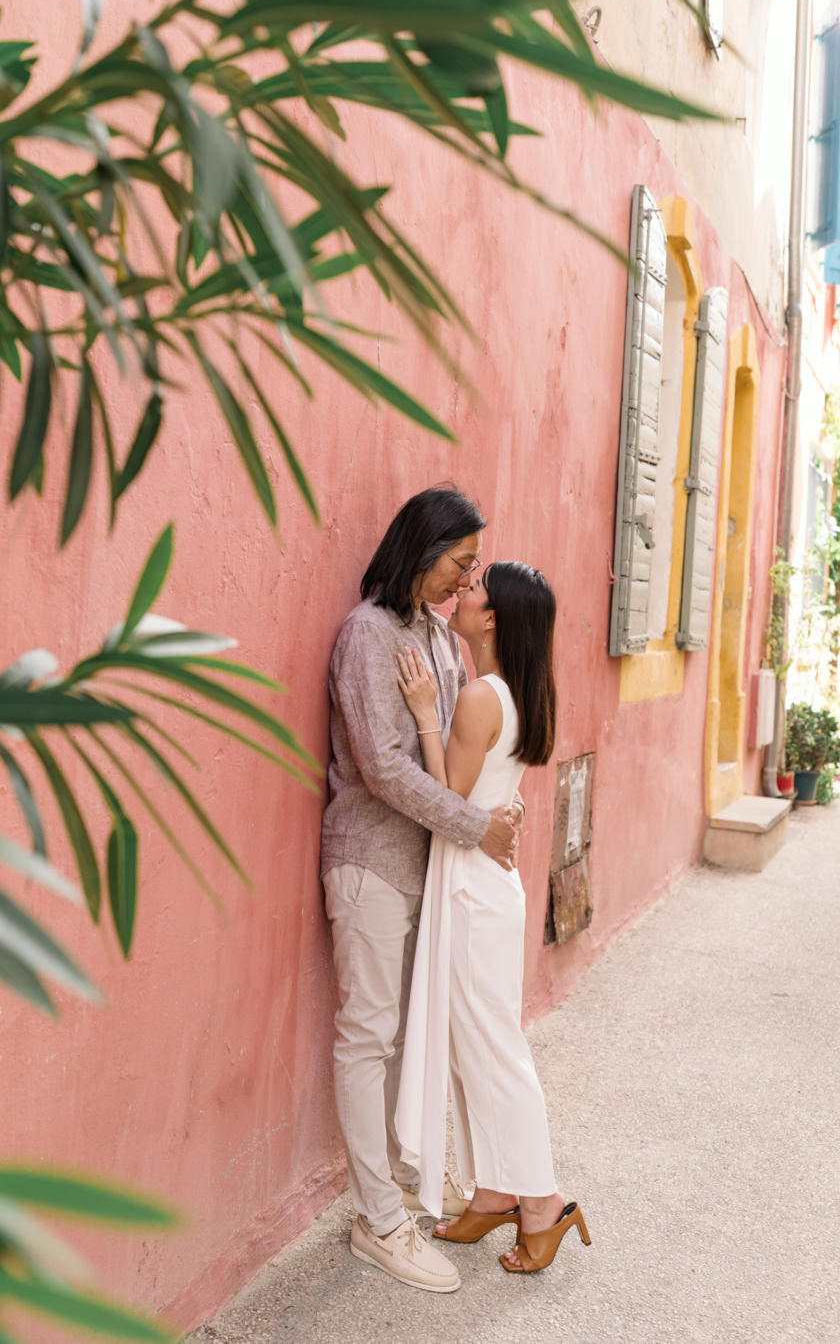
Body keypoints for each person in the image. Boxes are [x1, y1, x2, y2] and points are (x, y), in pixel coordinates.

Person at [321, 487, 525, 1295]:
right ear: (423, 545)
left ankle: (399, 1185)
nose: (466, 581)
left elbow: (448, 751)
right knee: (367, 1036)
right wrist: (477, 828)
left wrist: (482, 816)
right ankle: (378, 1220)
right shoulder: (366, 635)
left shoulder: (440, 638)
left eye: (474, 567)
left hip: (430, 871)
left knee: (407, 1037)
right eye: (460, 563)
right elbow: (381, 765)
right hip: (370, 861)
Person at [393, 562, 591, 1276]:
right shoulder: (524, 695)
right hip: (486, 883)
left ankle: (543, 1203)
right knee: (476, 1046)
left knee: (493, 1050)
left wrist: (422, 714)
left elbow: (447, 793)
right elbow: (488, 796)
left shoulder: (480, 696)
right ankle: (497, 1189)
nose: (462, 592)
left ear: (495, 618)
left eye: (475, 589)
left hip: (473, 886)